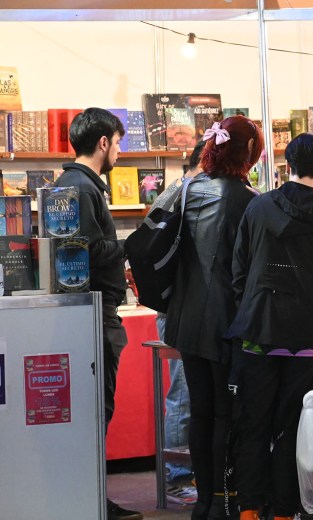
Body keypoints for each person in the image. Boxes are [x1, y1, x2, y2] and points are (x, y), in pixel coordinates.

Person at [227, 133, 313, 520]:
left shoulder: (258, 207)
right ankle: (283, 513)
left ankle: (248, 510)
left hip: (258, 333)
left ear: (287, 165)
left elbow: (239, 271)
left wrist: (250, 309)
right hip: (309, 339)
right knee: (294, 430)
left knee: (252, 425)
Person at [164, 116, 262, 519]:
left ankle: (204, 502)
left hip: (186, 318)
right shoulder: (251, 201)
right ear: (249, 153)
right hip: (229, 323)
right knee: (225, 413)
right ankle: (225, 501)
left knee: (200, 411)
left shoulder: (186, 189)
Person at [53, 108, 141, 520]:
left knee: (91, 410)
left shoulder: (75, 185)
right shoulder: (84, 189)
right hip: (94, 314)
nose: (120, 151)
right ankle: (93, 500)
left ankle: (88, 497)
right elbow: (84, 250)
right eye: (118, 142)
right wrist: (132, 244)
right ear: (103, 142)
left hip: (90, 312)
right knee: (95, 410)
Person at [153, 139, 209, 506]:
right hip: (179, 309)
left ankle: (186, 476)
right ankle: (177, 478)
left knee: (189, 393)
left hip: (177, 307)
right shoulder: (186, 197)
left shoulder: (174, 194)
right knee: (184, 395)